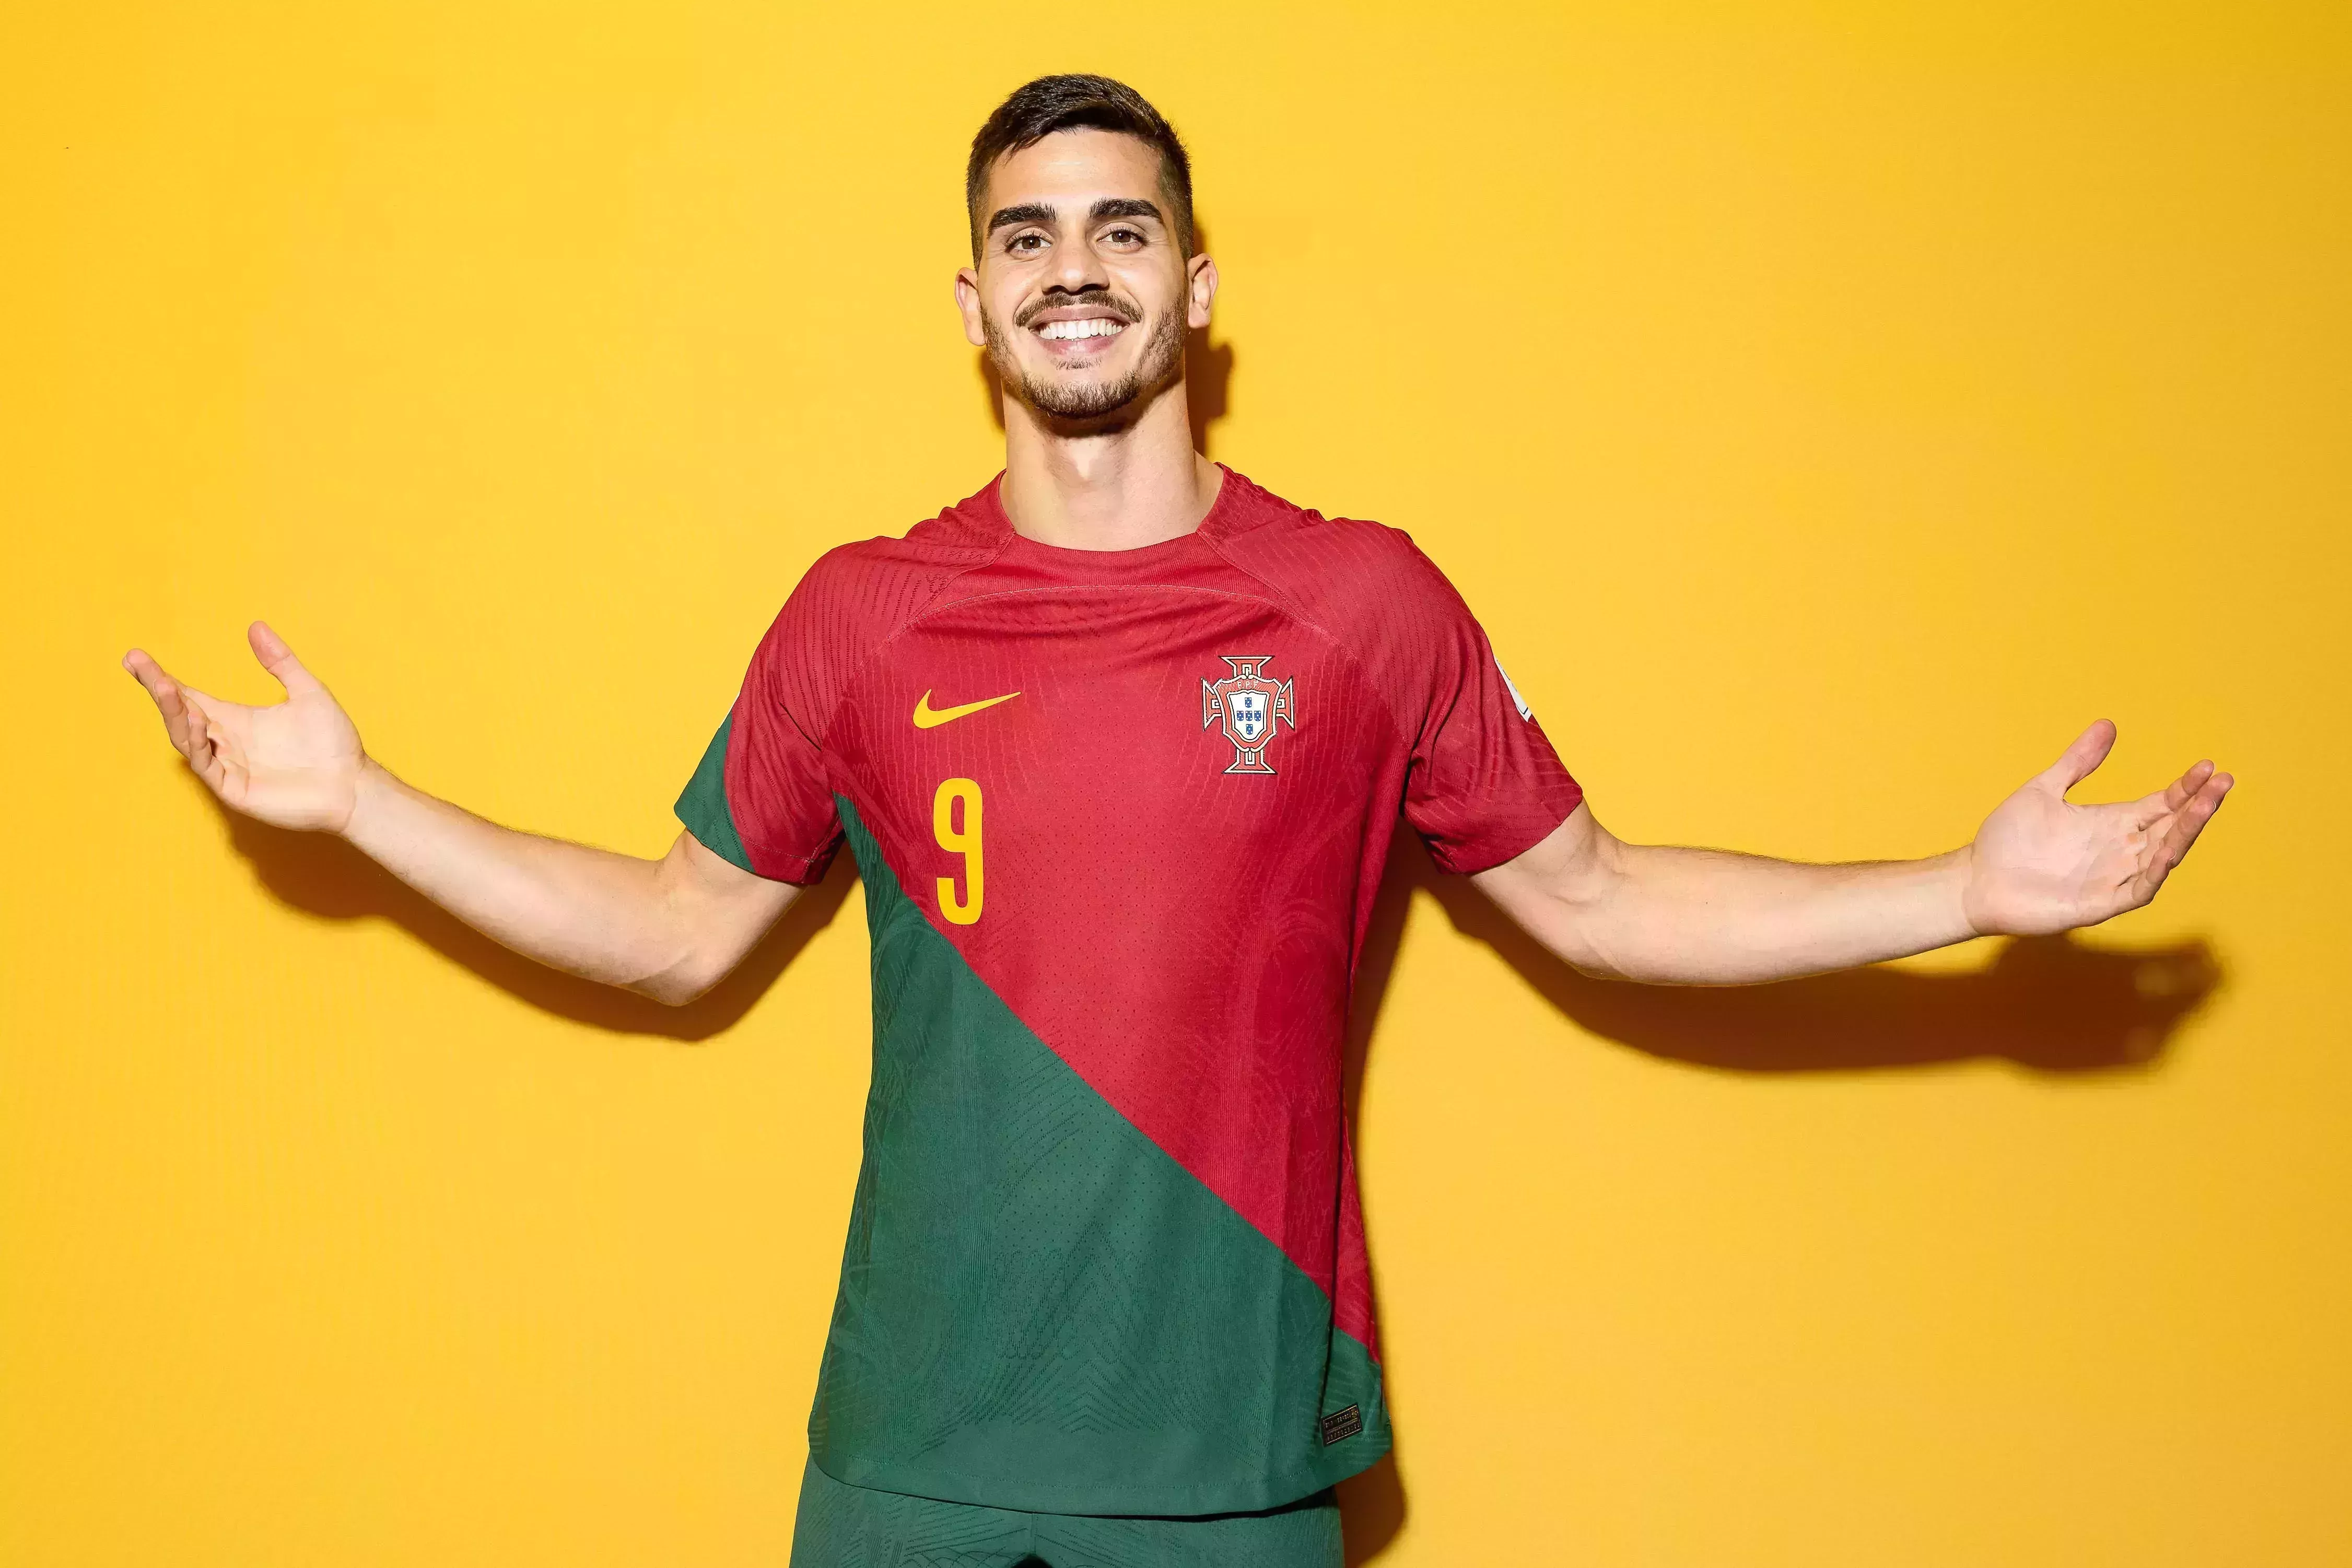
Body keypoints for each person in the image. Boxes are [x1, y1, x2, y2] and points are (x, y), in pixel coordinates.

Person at [123, 74, 2231, 1568]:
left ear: (1197, 285)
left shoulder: (1363, 603)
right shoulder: (864, 616)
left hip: (1230, 1466)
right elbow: (677, 928)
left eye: (1122, 228)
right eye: (1026, 235)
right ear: (969, 305)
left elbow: (1596, 898)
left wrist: (1961, 889)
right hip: (914, 1462)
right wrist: (358, 805)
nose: (1075, 268)